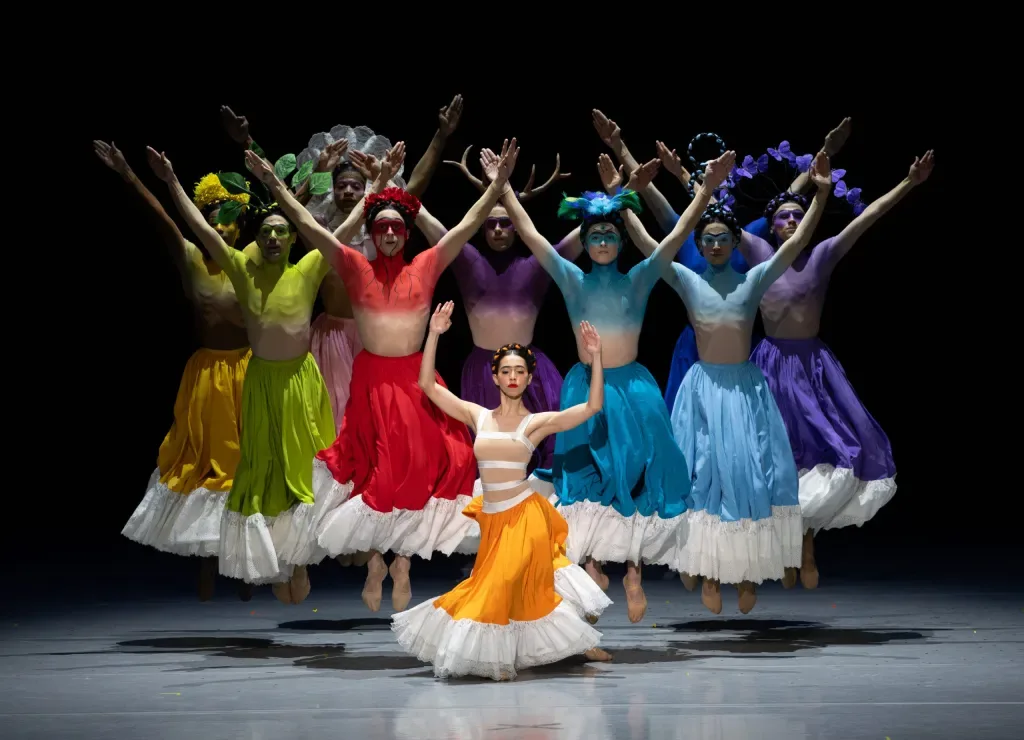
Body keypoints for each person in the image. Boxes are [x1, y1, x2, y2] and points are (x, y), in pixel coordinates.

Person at [242, 141, 520, 614]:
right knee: (376, 473)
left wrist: (498, 185)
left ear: (406, 233)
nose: (390, 234)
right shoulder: (355, 266)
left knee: (421, 470)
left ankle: (403, 563)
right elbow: (309, 225)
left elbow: (467, 225)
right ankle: (375, 560)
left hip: (417, 382)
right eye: (382, 228)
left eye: (396, 227)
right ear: (371, 234)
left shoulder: (425, 265)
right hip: (371, 383)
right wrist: (274, 185)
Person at [496, 144, 735, 623]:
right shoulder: (570, 279)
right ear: (584, 243)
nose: (603, 240)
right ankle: (590, 564)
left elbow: (678, 234)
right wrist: (502, 186)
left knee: (641, 476)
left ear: (621, 240)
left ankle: (634, 571)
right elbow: (530, 232)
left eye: (610, 233)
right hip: (585, 388)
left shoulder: (641, 278)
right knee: (584, 478)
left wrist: (705, 190)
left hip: (635, 388)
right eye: (595, 234)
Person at [147, 144, 360, 604]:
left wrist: (379, 186)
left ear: (291, 239)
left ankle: (302, 558)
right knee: (263, 474)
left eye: (284, 232)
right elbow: (202, 229)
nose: (275, 239)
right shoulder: (241, 269)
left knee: (307, 472)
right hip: (261, 382)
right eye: (267, 232)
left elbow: (344, 227)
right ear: (257, 239)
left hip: (302, 384)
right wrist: (170, 181)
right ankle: (274, 559)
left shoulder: (307, 267)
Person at [619, 152, 832, 613]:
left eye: (722, 239)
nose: (715, 246)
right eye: (708, 239)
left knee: (748, 476)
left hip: (744, 391)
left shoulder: (753, 279)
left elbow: (795, 247)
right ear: (700, 243)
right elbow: (650, 248)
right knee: (703, 480)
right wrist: (624, 200)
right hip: (701, 391)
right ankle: (710, 568)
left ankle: (747, 571)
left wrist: (822, 193)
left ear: (736, 242)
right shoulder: (689, 281)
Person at [742, 150, 934, 587]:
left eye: (798, 215)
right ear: (771, 226)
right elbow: (708, 221)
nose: (791, 222)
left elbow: (869, 218)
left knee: (824, 453)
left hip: (811, 368)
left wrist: (908, 182)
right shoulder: (756, 251)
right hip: (769, 367)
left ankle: (806, 539)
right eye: (783, 217)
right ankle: (774, 551)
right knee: (772, 458)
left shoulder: (824, 253)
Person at [391, 301, 613, 680]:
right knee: (504, 590)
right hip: (492, 522)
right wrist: (433, 334)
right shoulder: (478, 415)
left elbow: (593, 406)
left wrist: (596, 358)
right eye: (506, 371)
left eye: (519, 371)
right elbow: (427, 385)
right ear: (494, 377)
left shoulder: (536, 423)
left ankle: (502, 659)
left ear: (529, 379)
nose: (512, 377)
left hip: (525, 517)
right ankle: (570, 644)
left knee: (500, 586)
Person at [592, 110, 853, 411]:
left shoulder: (745, 236)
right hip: (694, 346)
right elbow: (647, 192)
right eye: (704, 185)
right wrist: (619, 146)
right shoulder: (682, 231)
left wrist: (826, 153)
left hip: (739, 348)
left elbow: (789, 198)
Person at [98, 141, 253, 601]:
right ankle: (206, 558)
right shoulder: (189, 257)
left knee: (245, 467)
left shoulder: (253, 262)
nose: (223, 226)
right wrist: (129, 174)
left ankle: (245, 563)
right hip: (206, 374)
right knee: (205, 468)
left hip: (248, 373)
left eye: (231, 219)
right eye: (215, 217)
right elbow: (164, 219)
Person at [415, 145, 575, 470]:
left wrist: (620, 194)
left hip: (531, 371)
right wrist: (389, 186)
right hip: (483, 373)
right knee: (492, 458)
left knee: (545, 451)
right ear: (480, 227)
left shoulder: (538, 264)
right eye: (490, 224)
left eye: (505, 224)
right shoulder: (465, 258)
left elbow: (589, 231)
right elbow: (420, 216)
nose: (498, 230)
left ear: (517, 226)